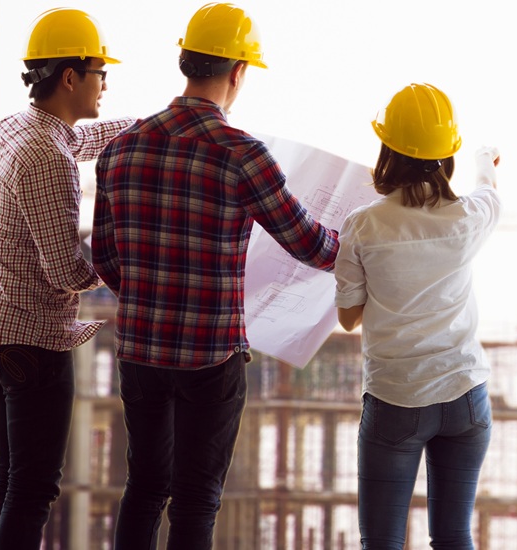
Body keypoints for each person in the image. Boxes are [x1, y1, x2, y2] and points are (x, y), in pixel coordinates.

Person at [89, 3, 340, 547]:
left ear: (185, 61)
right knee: (197, 499)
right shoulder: (242, 154)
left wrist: (149, 302)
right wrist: (361, 242)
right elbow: (310, 244)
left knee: (145, 487)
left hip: (140, 350)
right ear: (238, 72)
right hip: (210, 355)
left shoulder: (120, 149)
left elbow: (105, 258)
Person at [0, 7, 131, 549]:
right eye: (101, 73)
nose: (107, 83)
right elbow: (66, 272)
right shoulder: (48, 158)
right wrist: (123, 264)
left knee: (10, 480)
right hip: (29, 341)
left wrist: (141, 127)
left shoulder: (17, 129)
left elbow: (78, 142)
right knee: (34, 489)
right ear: (71, 76)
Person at [334, 83, 502, 550]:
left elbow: (348, 317)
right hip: (467, 396)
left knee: (383, 543)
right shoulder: (469, 218)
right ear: (446, 155)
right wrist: (485, 164)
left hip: (397, 398)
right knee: (453, 536)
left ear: (388, 151)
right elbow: (489, 190)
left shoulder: (364, 226)